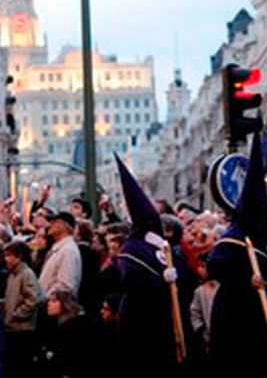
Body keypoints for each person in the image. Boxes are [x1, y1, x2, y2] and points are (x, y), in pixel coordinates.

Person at [207, 131, 267, 377]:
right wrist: (245, 279)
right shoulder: (233, 236)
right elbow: (216, 266)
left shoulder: (265, 232)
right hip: (238, 309)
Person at [112, 154, 186, 370]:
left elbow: (180, 268)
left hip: (164, 315)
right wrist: (160, 280)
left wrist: (176, 274)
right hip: (141, 318)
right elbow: (130, 279)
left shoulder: (163, 245)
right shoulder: (132, 247)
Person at [1, 240, 40, 378]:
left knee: (20, 365)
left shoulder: (26, 274)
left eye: (9, 255)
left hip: (22, 328)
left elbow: (32, 299)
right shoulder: (12, 275)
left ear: (19, 256)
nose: (6, 259)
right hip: (11, 327)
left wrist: (16, 314)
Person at [40, 288, 93, 378]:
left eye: (53, 301)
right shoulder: (58, 324)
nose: (49, 304)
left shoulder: (72, 328)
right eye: (49, 301)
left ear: (65, 304)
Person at [39, 212, 82, 299]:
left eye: (54, 221)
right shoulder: (60, 248)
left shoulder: (68, 251)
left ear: (64, 226)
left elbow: (66, 285)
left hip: (56, 307)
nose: (50, 224)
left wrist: (45, 299)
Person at [188, 253, 217, 371]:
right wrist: (201, 330)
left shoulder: (225, 287)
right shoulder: (199, 291)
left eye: (204, 266)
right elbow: (194, 313)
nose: (200, 269)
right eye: (199, 266)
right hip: (209, 338)